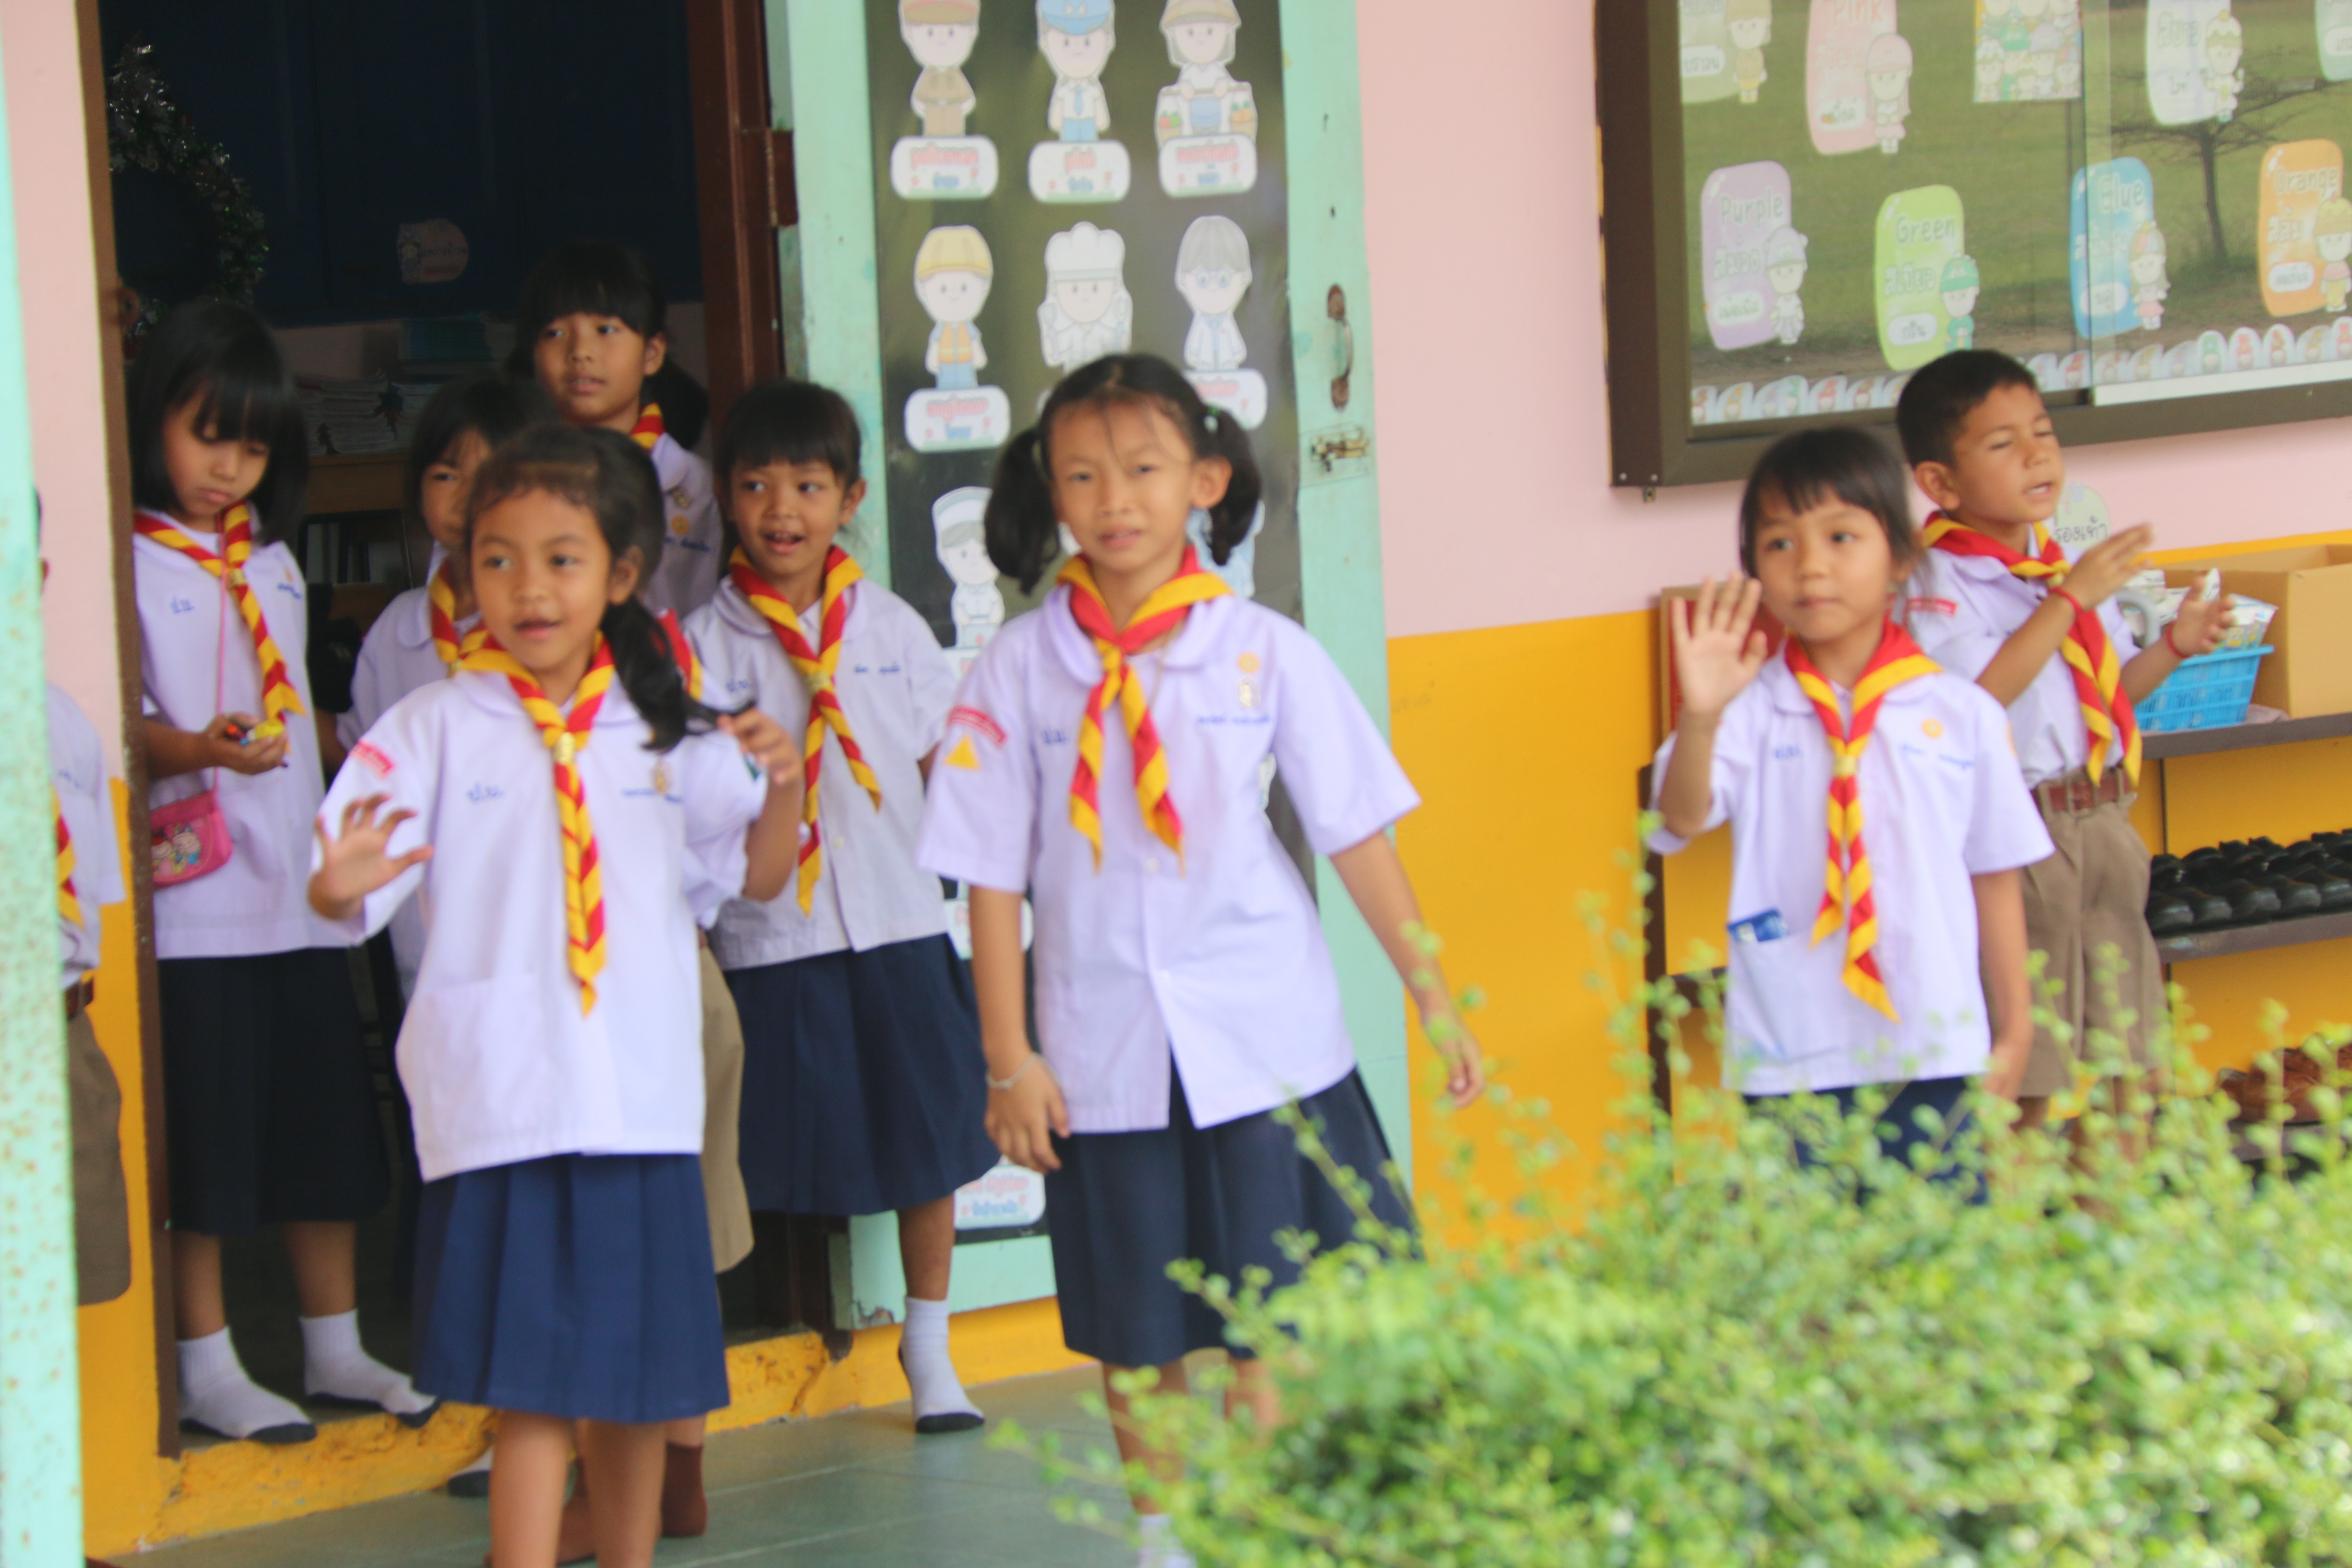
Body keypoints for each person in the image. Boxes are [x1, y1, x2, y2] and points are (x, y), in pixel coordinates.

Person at [916, 355, 1484, 1568]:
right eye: (1082, 475)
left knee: (1270, 1313)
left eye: (1143, 469)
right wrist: (1008, 1057)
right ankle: (1165, 1541)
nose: (1114, 499)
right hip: (1097, 1049)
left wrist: (1431, 994)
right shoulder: (1016, 667)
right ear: (1051, 493)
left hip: (1263, 1036)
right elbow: (989, 876)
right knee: (1138, 1326)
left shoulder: (1262, 650)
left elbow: (1356, 836)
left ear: (1204, 482)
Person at [310, 424, 804, 1568]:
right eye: (498, 559)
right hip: (504, 1106)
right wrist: (335, 881)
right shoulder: (432, 726)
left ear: (621, 575)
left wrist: (783, 784)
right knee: (530, 1389)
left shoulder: (668, 727)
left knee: (632, 1387)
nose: (528, 588)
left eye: (561, 559)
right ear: (465, 566)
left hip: (637, 1102)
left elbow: (760, 876)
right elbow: (344, 886)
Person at [129, 300, 425, 1441]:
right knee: (204, 1143)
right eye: (207, 438)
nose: (228, 468)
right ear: (153, 423)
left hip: (298, 896)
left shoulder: (273, 560)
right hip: (195, 904)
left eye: (252, 448)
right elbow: (120, 722)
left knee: (321, 1128)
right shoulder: (130, 561)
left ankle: (333, 1346)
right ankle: (205, 1362)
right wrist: (195, 748)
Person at [686, 379, 1000, 1435]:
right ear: (725, 495)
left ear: (850, 497)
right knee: (745, 1149)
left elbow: (941, 760)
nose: (782, 509)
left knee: (929, 1138)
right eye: (757, 486)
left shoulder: (892, 625)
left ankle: (929, 1344)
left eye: (809, 486)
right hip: (773, 936)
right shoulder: (702, 644)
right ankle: (708, 1351)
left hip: (896, 918)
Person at [1653, 427, 2049, 1176]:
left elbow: (1995, 872)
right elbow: (1679, 817)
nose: (1810, 566)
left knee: (1935, 1240)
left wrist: (2016, 1026)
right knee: (1809, 1246)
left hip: (1934, 1041)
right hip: (1791, 1044)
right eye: (1778, 544)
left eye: (1841, 537)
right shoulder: (1748, 709)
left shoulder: (1962, 713)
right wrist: (1698, 718)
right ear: (1754, 572)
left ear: (1899, 557)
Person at [1895, 351, 2230, 1132]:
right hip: (2019, 835)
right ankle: (2019, 1212)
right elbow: (1975, 704)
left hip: (2103, 822)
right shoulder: (1935, 581)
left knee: (2131, 1066)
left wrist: (2173, 647)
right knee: (2030, 1077)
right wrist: (2071, 599)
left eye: (2043, 432)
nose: (2037, 454)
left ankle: (2106, 1207)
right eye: (2003, 443)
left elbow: (2104, 698)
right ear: (1941, 482)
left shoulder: (2054, 569)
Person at [340, 371, 548, 996]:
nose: (465, 497)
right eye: (445, 475)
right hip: (433, 950)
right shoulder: (397, 631)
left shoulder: (559, 627)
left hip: (546, 942)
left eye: (492, 476)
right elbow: (366, 750)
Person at [515, 240, 720, 617]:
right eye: (555, 333)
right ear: (533, 355)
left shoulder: (701, 488)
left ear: (652, 353)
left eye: (606, 329)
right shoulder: (508, 482)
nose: (580, 351)